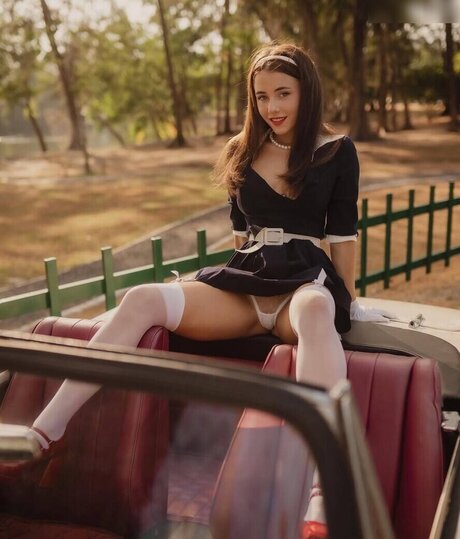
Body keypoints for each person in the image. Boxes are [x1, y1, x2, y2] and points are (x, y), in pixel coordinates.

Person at [5, 42, 392, 538]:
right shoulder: (240, 149)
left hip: (302, 284)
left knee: (318, 309)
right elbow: (240, 239)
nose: (272, 107)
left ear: (306, 92)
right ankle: (46, 431)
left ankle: (323, 485)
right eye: (261, 96)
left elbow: (342, 236)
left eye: (283, 93)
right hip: (246, 282)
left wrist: (348, 302)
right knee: (142, 298)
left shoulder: (335, 151)